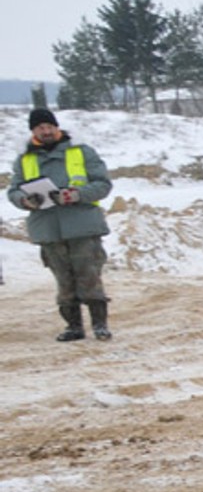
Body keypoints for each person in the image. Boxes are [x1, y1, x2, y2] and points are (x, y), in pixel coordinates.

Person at [7, 107, 115, 341]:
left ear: (57, 127)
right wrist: (25, 200)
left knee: (89, 276)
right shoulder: (25, 159)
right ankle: (74, 326)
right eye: (40, 127)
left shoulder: (81, 152)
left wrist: (74, 195)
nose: (45, 131)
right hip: (48, 228)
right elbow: (13, 190)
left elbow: (103, 185)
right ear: (33, 130)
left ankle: (100, 325)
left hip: (82, 225)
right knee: (64, 281)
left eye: (49, 126)